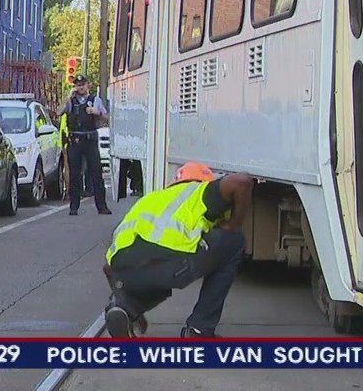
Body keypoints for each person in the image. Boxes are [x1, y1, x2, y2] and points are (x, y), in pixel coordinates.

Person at [102, 162, 255, 339]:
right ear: (203, 181)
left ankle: (125, 308)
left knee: (151, 276)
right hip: (171, 264)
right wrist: (234, 224)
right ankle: (199, 329)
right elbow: (242, 181)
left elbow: (108, 268)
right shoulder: (199, 191)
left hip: (123, 270)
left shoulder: (149, 199)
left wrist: (123, 293)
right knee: (234, 240)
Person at [60, 75, 110, 216]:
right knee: (75, 175)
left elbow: (107, 117)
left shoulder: (95, 100)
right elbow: (59, 112)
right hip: (75, 140)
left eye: (83, 84)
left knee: (96, 173)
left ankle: (102, 206)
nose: (80, 87)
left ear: (88, 85)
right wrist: (67, 97)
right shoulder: (71, 101)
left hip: (90, 139)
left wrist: (97, 112)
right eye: (78, 85)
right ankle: (73, 207)